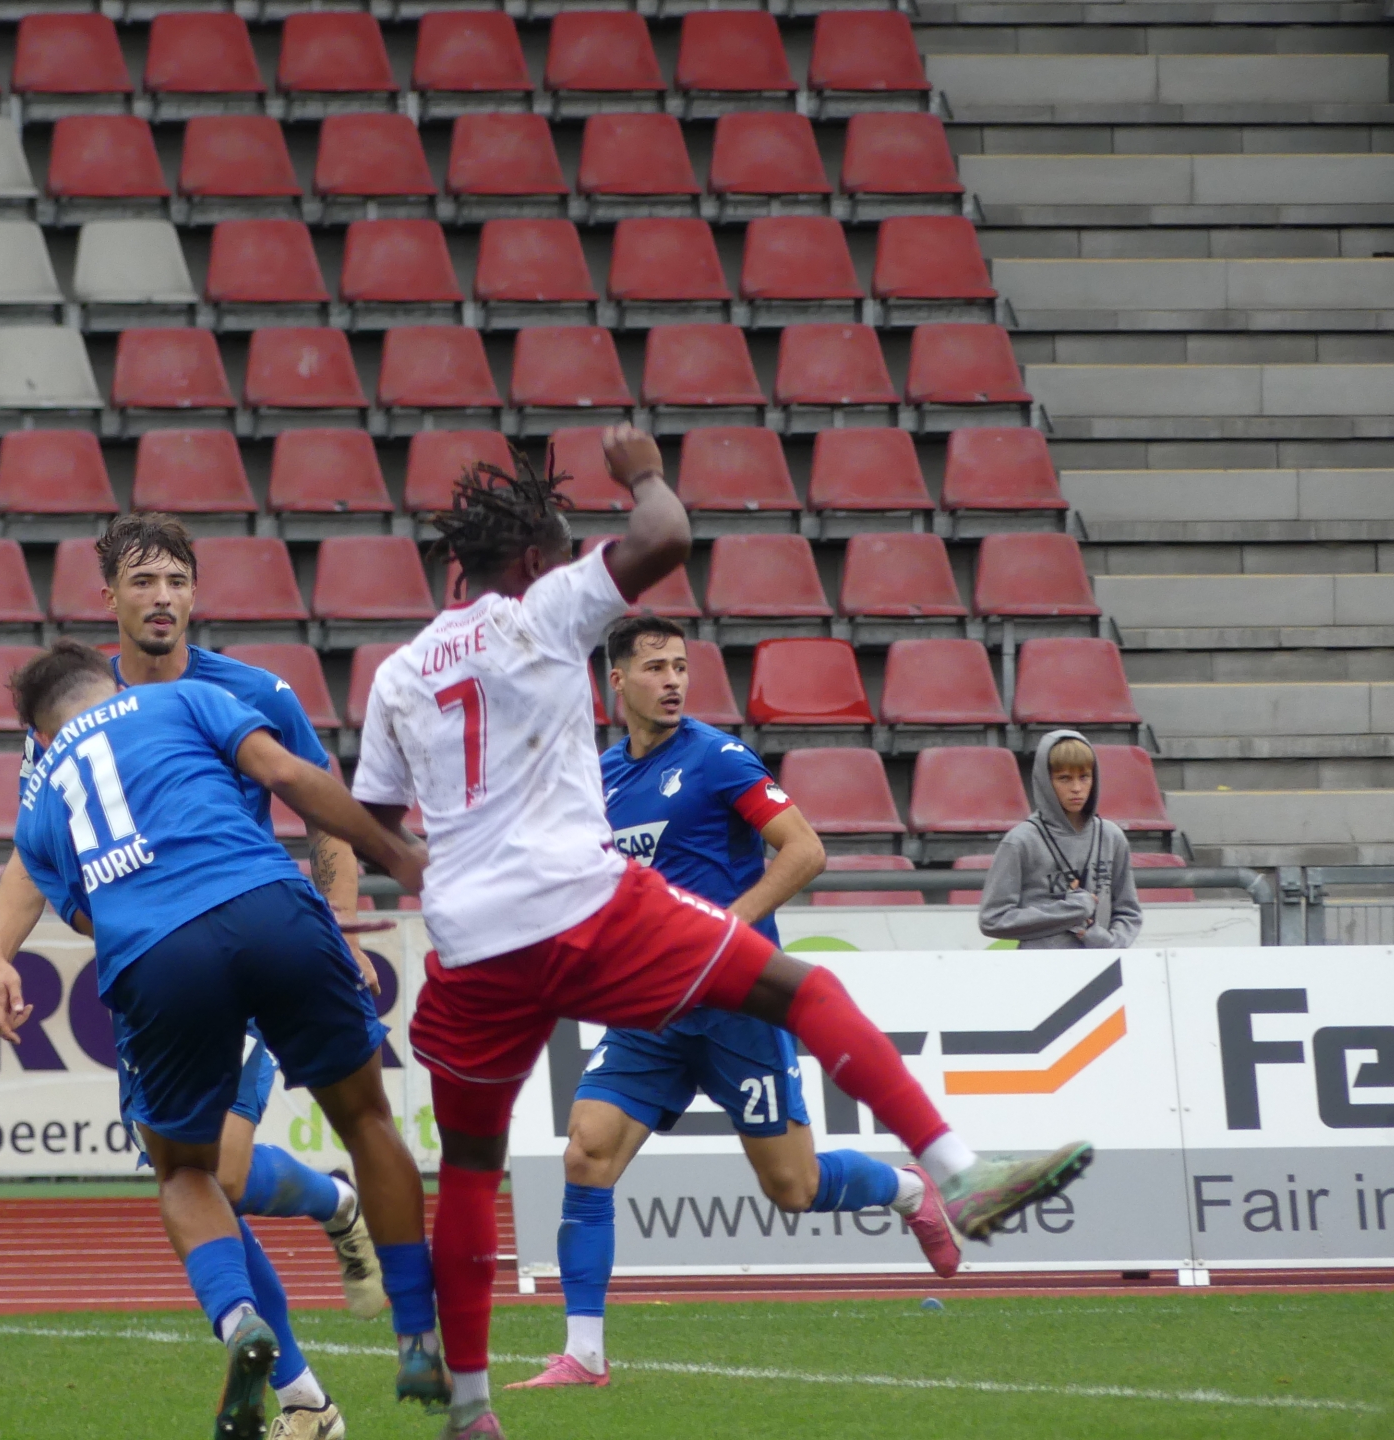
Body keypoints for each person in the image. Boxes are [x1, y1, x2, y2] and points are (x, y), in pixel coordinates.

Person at [349, 428, 1093, 1440]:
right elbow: (665, 534)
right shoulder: (546, 614)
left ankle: (470, 1407)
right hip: (587, 914)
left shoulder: (398, 674)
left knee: (477, 1171)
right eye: (559, 552)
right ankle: (962, 1173)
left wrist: (424, 875)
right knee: (803, 991)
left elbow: (371, 819)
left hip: (474, 946)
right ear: (531, 562)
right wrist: (641, 470)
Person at [2, 641, 446, 1440]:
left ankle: (241, 1321)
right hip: (268, 907)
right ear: (110, 685)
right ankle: (416, 1333)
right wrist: (396, 854)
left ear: (38, 731)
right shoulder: (179, 697)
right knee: (365, 1119)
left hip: (159, 956)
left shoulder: (38, 806)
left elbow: (87, 914)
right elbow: (289, 776)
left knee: (184, 1170)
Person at [510, 614, 961, 1392]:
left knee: (792, 1187)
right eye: (655, 667)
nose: (672, 681)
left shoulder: (717, 758)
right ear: (616, 681)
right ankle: (585, 1353)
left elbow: (805, 849)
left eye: (680, 666)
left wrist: (724, 928)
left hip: (736, 1003)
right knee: (586, 1151)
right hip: (650, 1010)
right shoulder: (602, 778)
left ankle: (909, 1189)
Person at [978, 729, 1143, 950]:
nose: (1076, 788)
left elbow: (1129, 911)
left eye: (1084, 777)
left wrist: (1110, 943)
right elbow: (993, 919)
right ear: (1046, 781)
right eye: (1064, 778)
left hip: (1101, 965)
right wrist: (1071, 910)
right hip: (1041, 965)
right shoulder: (1020, 841)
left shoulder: (1111, 837)